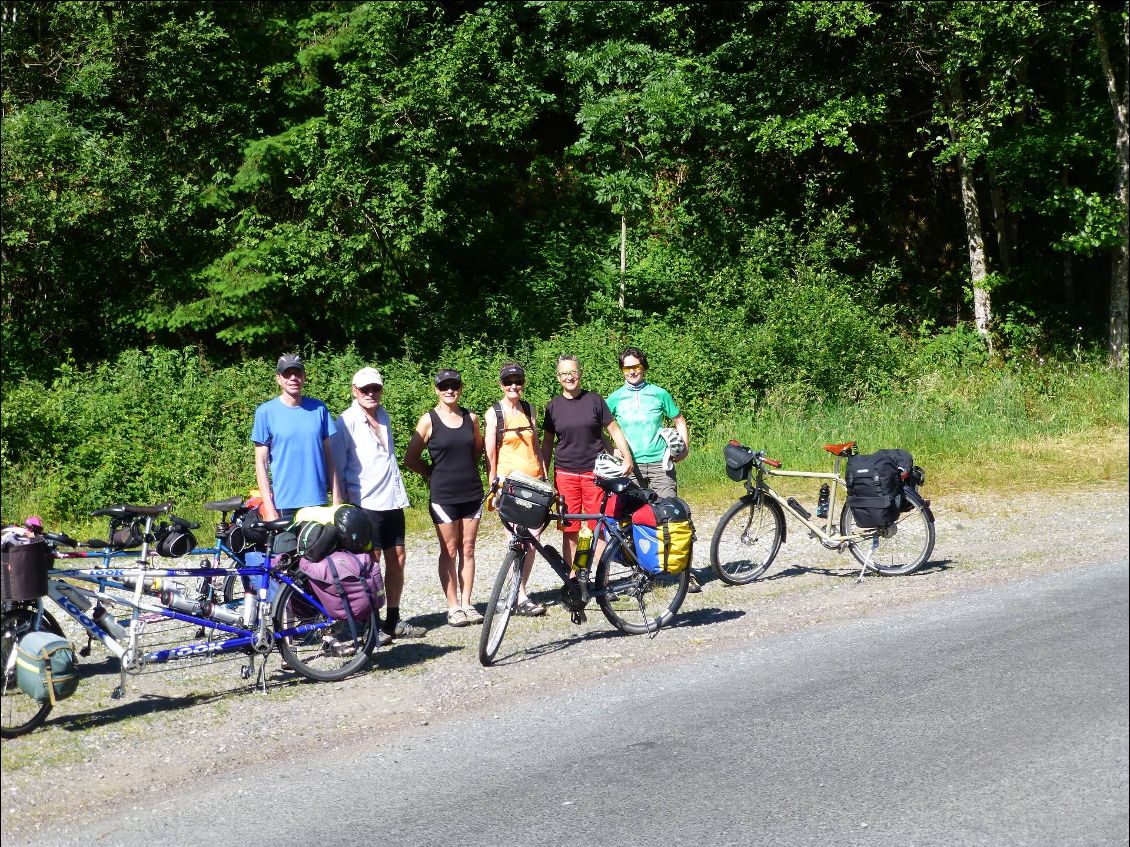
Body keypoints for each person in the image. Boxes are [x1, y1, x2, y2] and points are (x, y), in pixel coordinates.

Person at [330, 366, 426, 643]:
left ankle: (392, 620)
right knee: (369, 566)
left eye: (376, 388)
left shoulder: (382, 415)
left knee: (398, 558)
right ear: (354, 391)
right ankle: (368, 624)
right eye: (365, 389)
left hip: (392, 499)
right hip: (364, 503)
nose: (371, 393)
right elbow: (336, 466)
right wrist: (342, 505)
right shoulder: (345, 422)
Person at [606, 346, 700, 591]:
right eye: (627, 367)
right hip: (631, 468)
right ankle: (644, 571)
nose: (632, 371)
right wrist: (612, 450)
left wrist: (684, 448)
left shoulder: (659, 394)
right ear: (621, 370)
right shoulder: (615, 398)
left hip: (660, 464)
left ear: (643, 367)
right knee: (635, 521)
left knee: (674, 517)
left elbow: (679, 420)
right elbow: (601, 427)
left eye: (636, 366)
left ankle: (683, 573)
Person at [404, 369, 486, 628]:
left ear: (460, 388)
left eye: (454, 385)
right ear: (436, 389)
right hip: (443, 496)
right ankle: (452, 607)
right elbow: (410, 459)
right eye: (444, 386)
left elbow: (478, 451)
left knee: (468, 549)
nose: (449, 390)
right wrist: (433, 474)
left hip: (471, 492)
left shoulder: (470, 417)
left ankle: (468, 603)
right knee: (449, 551)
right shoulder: (428, 420)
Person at [540, 354, 634, 569]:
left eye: (573, 372)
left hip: (595, 474)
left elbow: (613, 429)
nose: (569, 377)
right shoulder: (553, 406)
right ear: (558, 377)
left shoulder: (594, 400)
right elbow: (546, 444)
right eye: (564, 373)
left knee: (597, 527)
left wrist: (626, 455)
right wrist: (544, 474)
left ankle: (602, 580)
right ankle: (574, 580)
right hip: (565, 475)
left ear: (580, 373)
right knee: (570, 529)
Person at [485, 363, 548, 616]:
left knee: (533, 539)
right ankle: (517, 595)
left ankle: (520, 592)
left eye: (518, 381)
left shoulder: (529, 408)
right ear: (501, 384)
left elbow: (536, 445)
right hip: (508, 483)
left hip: (533, 482)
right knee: (515, 540)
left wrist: (545, 474)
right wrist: (493, 484)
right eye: (508, 382)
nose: (514, 386)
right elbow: (490, 451)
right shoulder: (495, 413)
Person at [251, 354, 340, 522]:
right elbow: (261, 464)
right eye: (287, 374)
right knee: (287, 549)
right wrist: (269, 508)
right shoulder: (265, 412)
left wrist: (336, 500)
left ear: (304, 377)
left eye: (297, 373)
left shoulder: (319, 409)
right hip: (285, 503)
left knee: (320, 548)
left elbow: (330, 459)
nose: (293, 378)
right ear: (278, 378)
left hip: (317, 501)